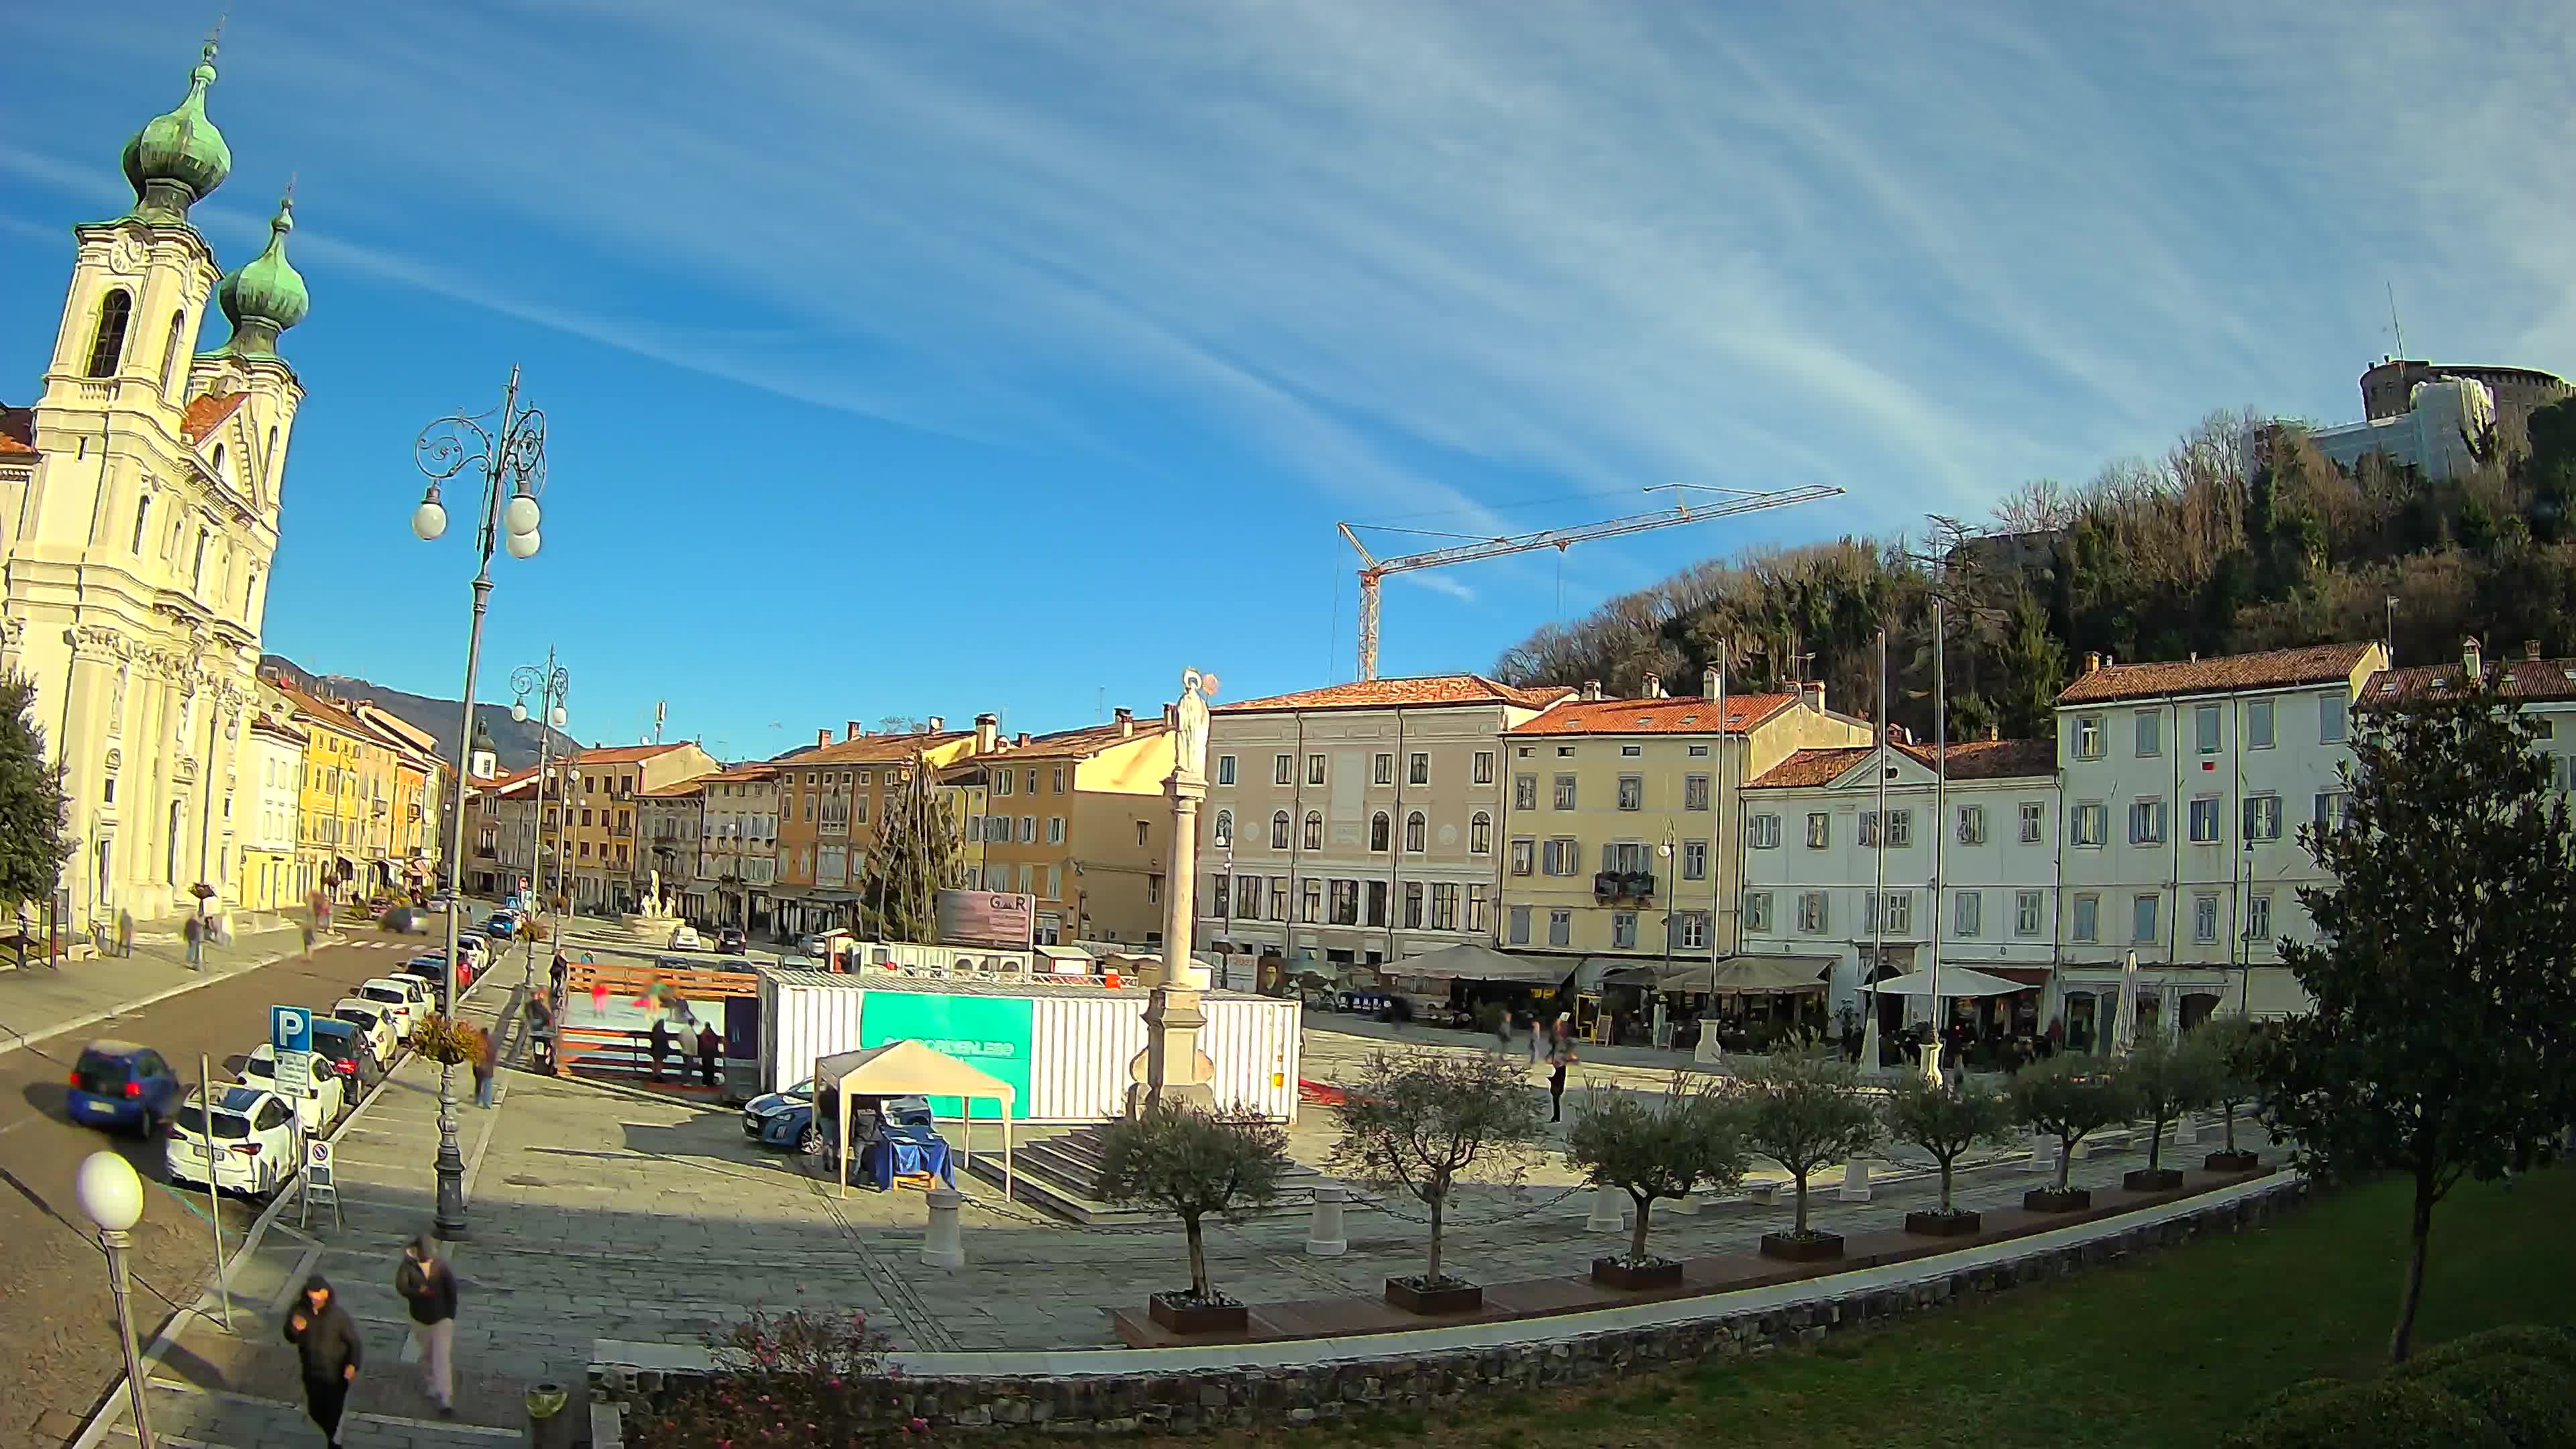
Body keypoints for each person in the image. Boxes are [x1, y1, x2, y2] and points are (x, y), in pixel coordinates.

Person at [284, 1275, 364, 1448]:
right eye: (311, 1294)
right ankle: (332, 1434)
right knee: (315, 1411)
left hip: (335, 1374)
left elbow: (355, 1343)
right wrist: (294, 1329)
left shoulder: (338, 1317)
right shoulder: (299, 1310)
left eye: (317, 1294)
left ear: (326, 1293)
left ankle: (335, 1442)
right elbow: (289, 1336)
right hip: (312, 1372)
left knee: (334, 1412)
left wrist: (353, 1365)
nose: (314, 1298)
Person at [393, 1236, 459, 1417]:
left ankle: (445, 1397)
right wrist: (417, 1292)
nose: (429, 1259)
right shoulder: (407, 1266)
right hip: (420, 1318)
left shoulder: (441, 1266)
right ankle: (432, 1384)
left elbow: (452, 1291)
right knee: (427, 1354)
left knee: (441, 1356)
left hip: (441, 1318)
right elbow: (401, 1287)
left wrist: (450, 1316)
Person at [1548, 1013, 1576, 1123]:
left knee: (1556, 1094)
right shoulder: (1560, 1042)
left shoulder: (1562, 1041)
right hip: (1559, 1068)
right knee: (1556, 1095)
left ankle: (1556, 1117)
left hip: (1560, 1068)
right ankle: (1556, 1116)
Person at [472, 1026, 497, 1109]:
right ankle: (486, 1103)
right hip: (487, 1068)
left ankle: (478, 1100)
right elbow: (493, 1055)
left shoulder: (478, 1041)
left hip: (479, 1067)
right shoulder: (491, 1042)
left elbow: (474, 1053)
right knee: (487, 1085)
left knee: (479, 1084)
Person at [696, 1023, 720, 1088]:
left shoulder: (703, 1034)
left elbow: (700, 1043)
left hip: (705, 1054)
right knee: (710, 1068)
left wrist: (700, 1053)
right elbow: (716, 1040)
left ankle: (705, 1081)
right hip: (710, 1054)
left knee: (706, 1068)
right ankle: (710, 1081)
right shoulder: (711, 1033)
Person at [647, 1018, 671, 1082]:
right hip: (660, 1050)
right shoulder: (662, 1033)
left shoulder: (654, 1032)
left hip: (655, 1049)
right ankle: (658, 1076)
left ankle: (655, 1075)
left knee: (656, 1062)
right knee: (659, 1063)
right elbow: (664, 1042)